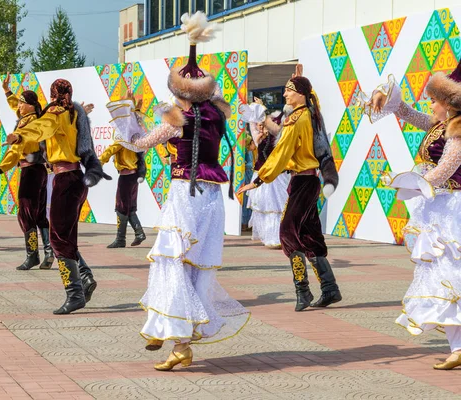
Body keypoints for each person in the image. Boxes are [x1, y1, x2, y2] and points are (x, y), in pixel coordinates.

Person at [108, 12, 250, 371]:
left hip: (185, 196)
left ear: (178, 92)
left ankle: (179, 341)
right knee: (193, 268)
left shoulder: (175, 121)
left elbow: (138, 143)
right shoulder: (217, 116)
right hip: (212, 199)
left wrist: (124, 114)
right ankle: (163, 326)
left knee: (171, 263)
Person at [367, 63, 461, 370]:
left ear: (448, 103)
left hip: (453, 209)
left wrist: (413, 181)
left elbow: (445, 168)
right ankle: (458, 347)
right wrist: (391, 101)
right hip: (440, 208)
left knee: (451, 274)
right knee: (442, 276)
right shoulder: (438, 124)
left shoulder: (458, 130)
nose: (430, 104)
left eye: (434, 99)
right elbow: (411, 115)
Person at [238, 68, 341, 312]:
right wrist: (300, 78)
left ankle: (302, 290)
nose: (284, 94)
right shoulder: (309, 113)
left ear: (301, 95)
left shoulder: (297, 118)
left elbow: (282, 151)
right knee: (309, 235)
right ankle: (329, 288)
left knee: (287, 233)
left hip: (302, 183)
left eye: (289, 90)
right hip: (308, 181)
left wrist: (259, 179)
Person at [4, 79, 109, 315]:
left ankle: (75, 294)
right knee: (64, 234)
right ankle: (84, 278)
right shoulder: (73, 112)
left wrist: (19, 137)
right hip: (75, 178)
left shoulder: (56, 111)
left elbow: (43, 127)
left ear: (53, 94)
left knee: (58, 237)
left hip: (64, 179)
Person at [0, 74, 54, 270]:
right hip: (38, 170)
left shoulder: (27, 123)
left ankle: (33, 255)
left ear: (30, 105)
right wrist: (7, 91)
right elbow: (16, 105)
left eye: (23, 103)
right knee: (38, 214)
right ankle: (48, 251)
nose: (19, 106)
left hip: (30, 172)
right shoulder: (33, 117)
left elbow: (16, 150)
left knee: (25, 213)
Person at [242, 104, 289, 249]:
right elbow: (253, 126)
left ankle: (277, 237)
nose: (261, 126)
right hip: (260, 176)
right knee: (263, 208)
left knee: (277, 208)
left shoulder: (279, 139)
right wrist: (256, 108)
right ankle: (268, 236)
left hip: (276, 177)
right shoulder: (259, 139)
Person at [98, 126, 147, 248]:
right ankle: (139, 233)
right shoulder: (136, 138)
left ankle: (121, 239)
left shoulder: (123, 139)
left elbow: (110, 150)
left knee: (121, 207)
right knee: (129, 207)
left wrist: (99, 163)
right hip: (134, 175)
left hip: (126, 176)